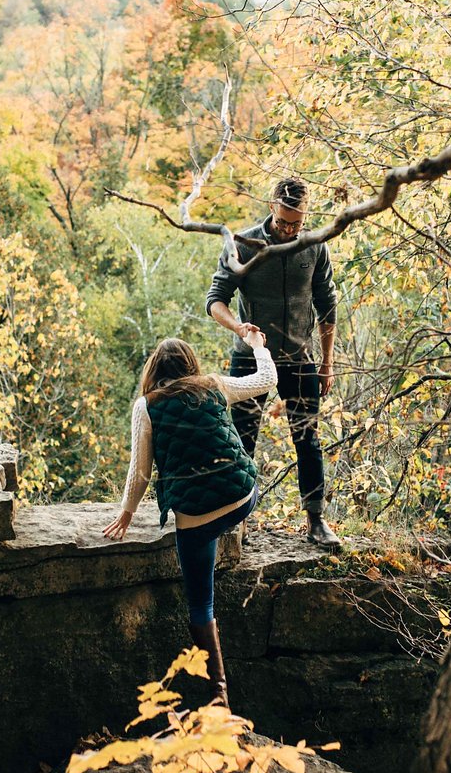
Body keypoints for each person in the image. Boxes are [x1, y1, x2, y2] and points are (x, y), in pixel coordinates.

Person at [102, 329, 277, 706]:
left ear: (152, 370)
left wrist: (125, 515)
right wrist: (259, 347)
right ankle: (235, 525)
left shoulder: (146, 406)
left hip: (196, 517)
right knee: (237, 494)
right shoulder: (212, 386)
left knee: (201, 604)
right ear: (190, 365)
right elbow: (267, 380)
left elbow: (141, 472)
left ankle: (219, 695)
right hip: (241, 496)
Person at [205, 177, 341, 548]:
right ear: (271, 207)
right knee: (241, 441)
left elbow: (327, 305)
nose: (289, 229)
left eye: (296, 223)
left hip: (300, 360)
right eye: (283, 222)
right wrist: (238, 325)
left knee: (308, 439)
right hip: (250, 359)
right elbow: (216, 299)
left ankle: (316, 521)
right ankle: (237, 522)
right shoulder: (244, 245)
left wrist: (326, 363)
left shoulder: (314, 246)